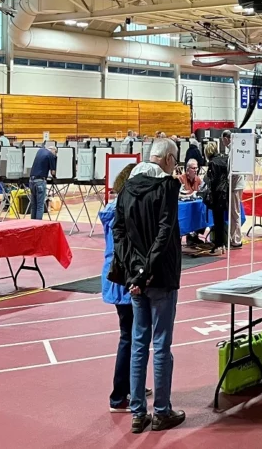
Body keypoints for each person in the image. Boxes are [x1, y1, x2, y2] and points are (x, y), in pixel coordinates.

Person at [110, 138, 185, 434]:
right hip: (161, 277)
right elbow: (165, 233)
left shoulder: (126, 188)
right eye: (174, 161)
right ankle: (162, 411)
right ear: (167, 159)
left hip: (136, 281)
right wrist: (148, 269)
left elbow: (119, 232)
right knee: (161, 344)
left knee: (139, 344)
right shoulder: (166, 187)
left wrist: (134, 272)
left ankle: (138, 412)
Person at [100, 163, 154, 413]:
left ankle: (132, 385)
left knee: (133, 336)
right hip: (124, 279)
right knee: (130, 337)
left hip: (116, 278)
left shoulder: (112, 209)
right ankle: (119, 395)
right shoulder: (122, 211)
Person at [203, 142, 229, 255]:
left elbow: (212, 181)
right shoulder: (224, 159)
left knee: (217, 222)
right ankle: (222, 245)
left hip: (217, 195)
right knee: (221, 221)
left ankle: (218, 246)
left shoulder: (212, 163)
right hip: (225, 194)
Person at [221, 130, 245, 248]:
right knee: (233, 212)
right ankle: (233, 236)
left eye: (222, 140)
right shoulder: (232, 149)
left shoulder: (234, 150)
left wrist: (228, 182)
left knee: (235, 212)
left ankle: (237, 239)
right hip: (236, 185)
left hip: (235, 185)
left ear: (226, 138)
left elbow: (235, 171)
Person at [30, 145, 57, 220]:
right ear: (53, 150)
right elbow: (53, 172)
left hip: (31, 180)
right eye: (55, 153)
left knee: (34, 206)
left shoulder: (40, 151)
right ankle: (38, 226)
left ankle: (32, 225)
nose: (55, 155)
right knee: (40, 206)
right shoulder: (51, 155)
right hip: (40, 181)